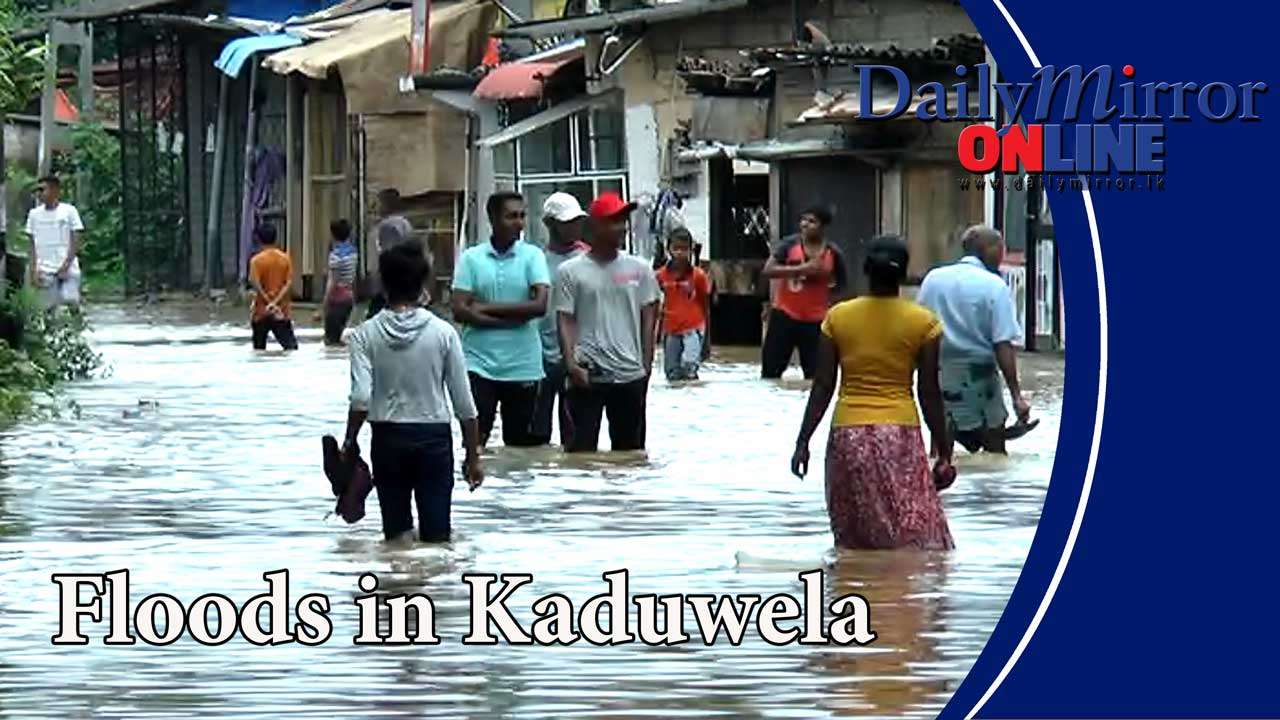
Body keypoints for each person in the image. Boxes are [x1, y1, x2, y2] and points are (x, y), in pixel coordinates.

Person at [791, 235, 954, 550]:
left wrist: (803, 442)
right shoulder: (924, 323)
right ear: (903, 274)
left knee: (854, 536)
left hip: (847, 437)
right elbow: (929, 392)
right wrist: (944, 449)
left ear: (866, 270)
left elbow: (823, 385)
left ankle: (857, 591)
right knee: (917, 539)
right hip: (900, 436)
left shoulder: (838, 317)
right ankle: (904, 595)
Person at [344, 241, 483, 543]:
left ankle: (398, 585)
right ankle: (433, 584)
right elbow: (464, 404)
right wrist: (473, 456)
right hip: (433, 440)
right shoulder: (444, 333)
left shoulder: (364, 335)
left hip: (387, 440)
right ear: (423, 282)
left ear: (384, 283)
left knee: (395, 536)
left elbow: (361, 399)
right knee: (437, 537)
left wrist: (350, 441)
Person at [554, 192, 661, 453]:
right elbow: (565, 319)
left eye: (624, 220)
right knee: (580, 454)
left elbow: (650, 316)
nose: (622, 227)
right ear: (596, 226)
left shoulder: (640, 269)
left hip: (629, 374)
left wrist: (646, 365)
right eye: (614, 221)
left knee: (630, 456)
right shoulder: (570, 271)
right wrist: (570, 364)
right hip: (587, 374)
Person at [916, 225, 1033, 455]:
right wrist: (1016, 396)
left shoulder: (933, 279)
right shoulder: (994, 286)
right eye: (1001, 250)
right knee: (995, 453)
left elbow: (918, 328)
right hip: (980, 378)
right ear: (989, 250)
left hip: (939, 372)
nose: (1002, 256)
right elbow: (1003, 344)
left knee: (940, 452)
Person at [451, 192, 551, 449]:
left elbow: (539, 306)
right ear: (493, 219)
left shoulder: (533, 256)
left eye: (522, 216)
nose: (519, 223)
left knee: (519, 450)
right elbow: (459, 310)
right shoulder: (472, 258)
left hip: (523, 365)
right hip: (479, 364)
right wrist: (514, 318)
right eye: (511, 216)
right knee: (475, 444)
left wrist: (483, 308)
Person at [760, 206, 848, 379]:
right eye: (803, 220)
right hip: (784, 315)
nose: (805, 224)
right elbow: (768, 270)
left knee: (816, 377)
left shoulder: (833, 253)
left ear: (823, 227)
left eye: (812, 221)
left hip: (816, 321)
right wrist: (802, 269)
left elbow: (842, 287)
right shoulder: (788, 245)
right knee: (770, 374)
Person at [531, 192, 589, 447]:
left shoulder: (588, 259)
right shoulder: (536, 261)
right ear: (550, 224)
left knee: (574, 437)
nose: (575, 227)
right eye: (567, 222)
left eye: (577, 221)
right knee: (537, 433)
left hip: (577, 356)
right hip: (541, 356)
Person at [655, 227, 712, 382]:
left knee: (689, 365)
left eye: (684, 249)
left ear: (691, 250)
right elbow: (653, 304)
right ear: (669, 250)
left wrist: (707, 340)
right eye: (676, 248)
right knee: (671, 373)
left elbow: (705, 306)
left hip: (693, 328)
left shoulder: (698, 276)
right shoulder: (660, 276)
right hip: (671, 329)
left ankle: (693, 397)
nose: (680, 253)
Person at [24, 175, 84, 312]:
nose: (40, 194)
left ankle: (77, 326)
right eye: (38, 190)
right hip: (44, 268)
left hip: (67, 268)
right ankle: (51, 331)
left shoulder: (69, 211)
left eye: (43, 190)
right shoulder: (34, 215)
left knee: (70, 299)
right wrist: (33, 271)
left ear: (55, 190)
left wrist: (67, 264)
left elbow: (76, 238)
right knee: (48, 307)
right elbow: (31, 245)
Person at [247, 224, 298, 351]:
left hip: (261, 312)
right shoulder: (285, 259)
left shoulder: (256, 261)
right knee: (291, 349)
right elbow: (288, 284)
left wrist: (268, 302)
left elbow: (255, 284)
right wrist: (275, 303)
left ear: (258, 239)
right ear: (276, 239)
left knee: (259, 351)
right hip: (281, 312)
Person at [366, 188, 415, 320]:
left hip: (389, 282)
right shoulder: (404, 223)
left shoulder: (389, 225)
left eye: (379, 203)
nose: (377, 207)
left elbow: (387, 253)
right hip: (402, 279)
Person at [323, 219, 358, 346]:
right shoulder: (353, 252)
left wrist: (325, 302)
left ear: (333, 235)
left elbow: (332, 280)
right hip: (349, 298)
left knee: (330, 341)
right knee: (338, 338)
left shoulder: (335, 255)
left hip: (336, 299)